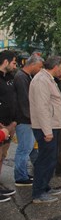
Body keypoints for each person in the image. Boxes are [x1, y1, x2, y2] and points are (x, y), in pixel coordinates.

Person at [29, 56, 61, 203]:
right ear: (55, 66)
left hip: (52, 125)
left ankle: (45, 187)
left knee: (50, 159)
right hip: (46, 127)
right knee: (45, 160)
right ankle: (38, 193)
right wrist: (47, 131)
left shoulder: (47, 79)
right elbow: (42, 108)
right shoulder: (41, 81)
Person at [13, 53, 44, 187]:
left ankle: (23, 174)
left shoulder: (25, 77)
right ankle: (20, 177)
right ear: (33, 64)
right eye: (40, 67)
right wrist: (32, 118)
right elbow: (25, 101)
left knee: (27, 148)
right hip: (25, 120)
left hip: (26, 119)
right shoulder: (21, 78)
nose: (40, 69)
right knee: (24, 149)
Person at [0, 50, 18, 202]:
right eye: (13, 62)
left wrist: (14, 122)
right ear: (5, 62)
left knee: (2, 157)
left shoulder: (10, 78)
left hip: (10, 125)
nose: (15, 65)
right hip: (1, 126)